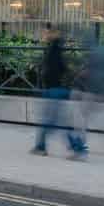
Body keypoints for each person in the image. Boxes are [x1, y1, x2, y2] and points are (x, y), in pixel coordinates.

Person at [31, 28, 87, 159]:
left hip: (53, 92)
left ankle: (75, 148)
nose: (45, 35)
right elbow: (65, 70)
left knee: (51, 122)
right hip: (59, 91)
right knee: (57, 122)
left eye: (47, 33)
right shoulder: (58, 52)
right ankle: (42, 146)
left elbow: (48, 72)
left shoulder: (52, 52)